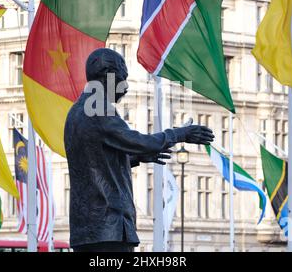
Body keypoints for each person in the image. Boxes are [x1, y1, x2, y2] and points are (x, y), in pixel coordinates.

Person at [64, 48, 214, 252]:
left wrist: (137, 157)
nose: (124, 87)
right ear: (108, 76)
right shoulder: (98, 106)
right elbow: (137, 140)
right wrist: (180, 134)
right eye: (122, 78)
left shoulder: (76, 111)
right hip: (108, 225)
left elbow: (97, 159)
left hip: (88, 229)